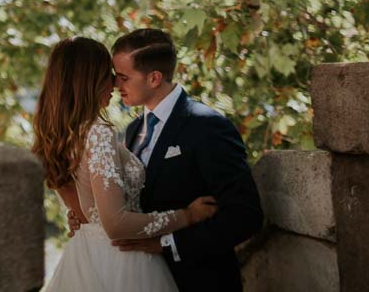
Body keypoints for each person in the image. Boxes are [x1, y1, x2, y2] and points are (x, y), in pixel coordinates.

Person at [34, 37, 218, 291]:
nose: (114, 82)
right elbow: (115, 223)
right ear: (88, 80)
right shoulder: (97, 133)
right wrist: (186, 216)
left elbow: (84, 211)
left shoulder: (60, 137)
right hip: (122, 262)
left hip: (86, 257)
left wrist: (80, 219)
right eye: (107, 74)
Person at [104, 28, 264, 291]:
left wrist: (166, 244)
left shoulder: (206, 125)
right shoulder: (133, 130)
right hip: (143, 279)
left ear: (154, 78)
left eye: (123, 77)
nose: (115, 85)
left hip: (200, 281)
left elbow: (245, 215)